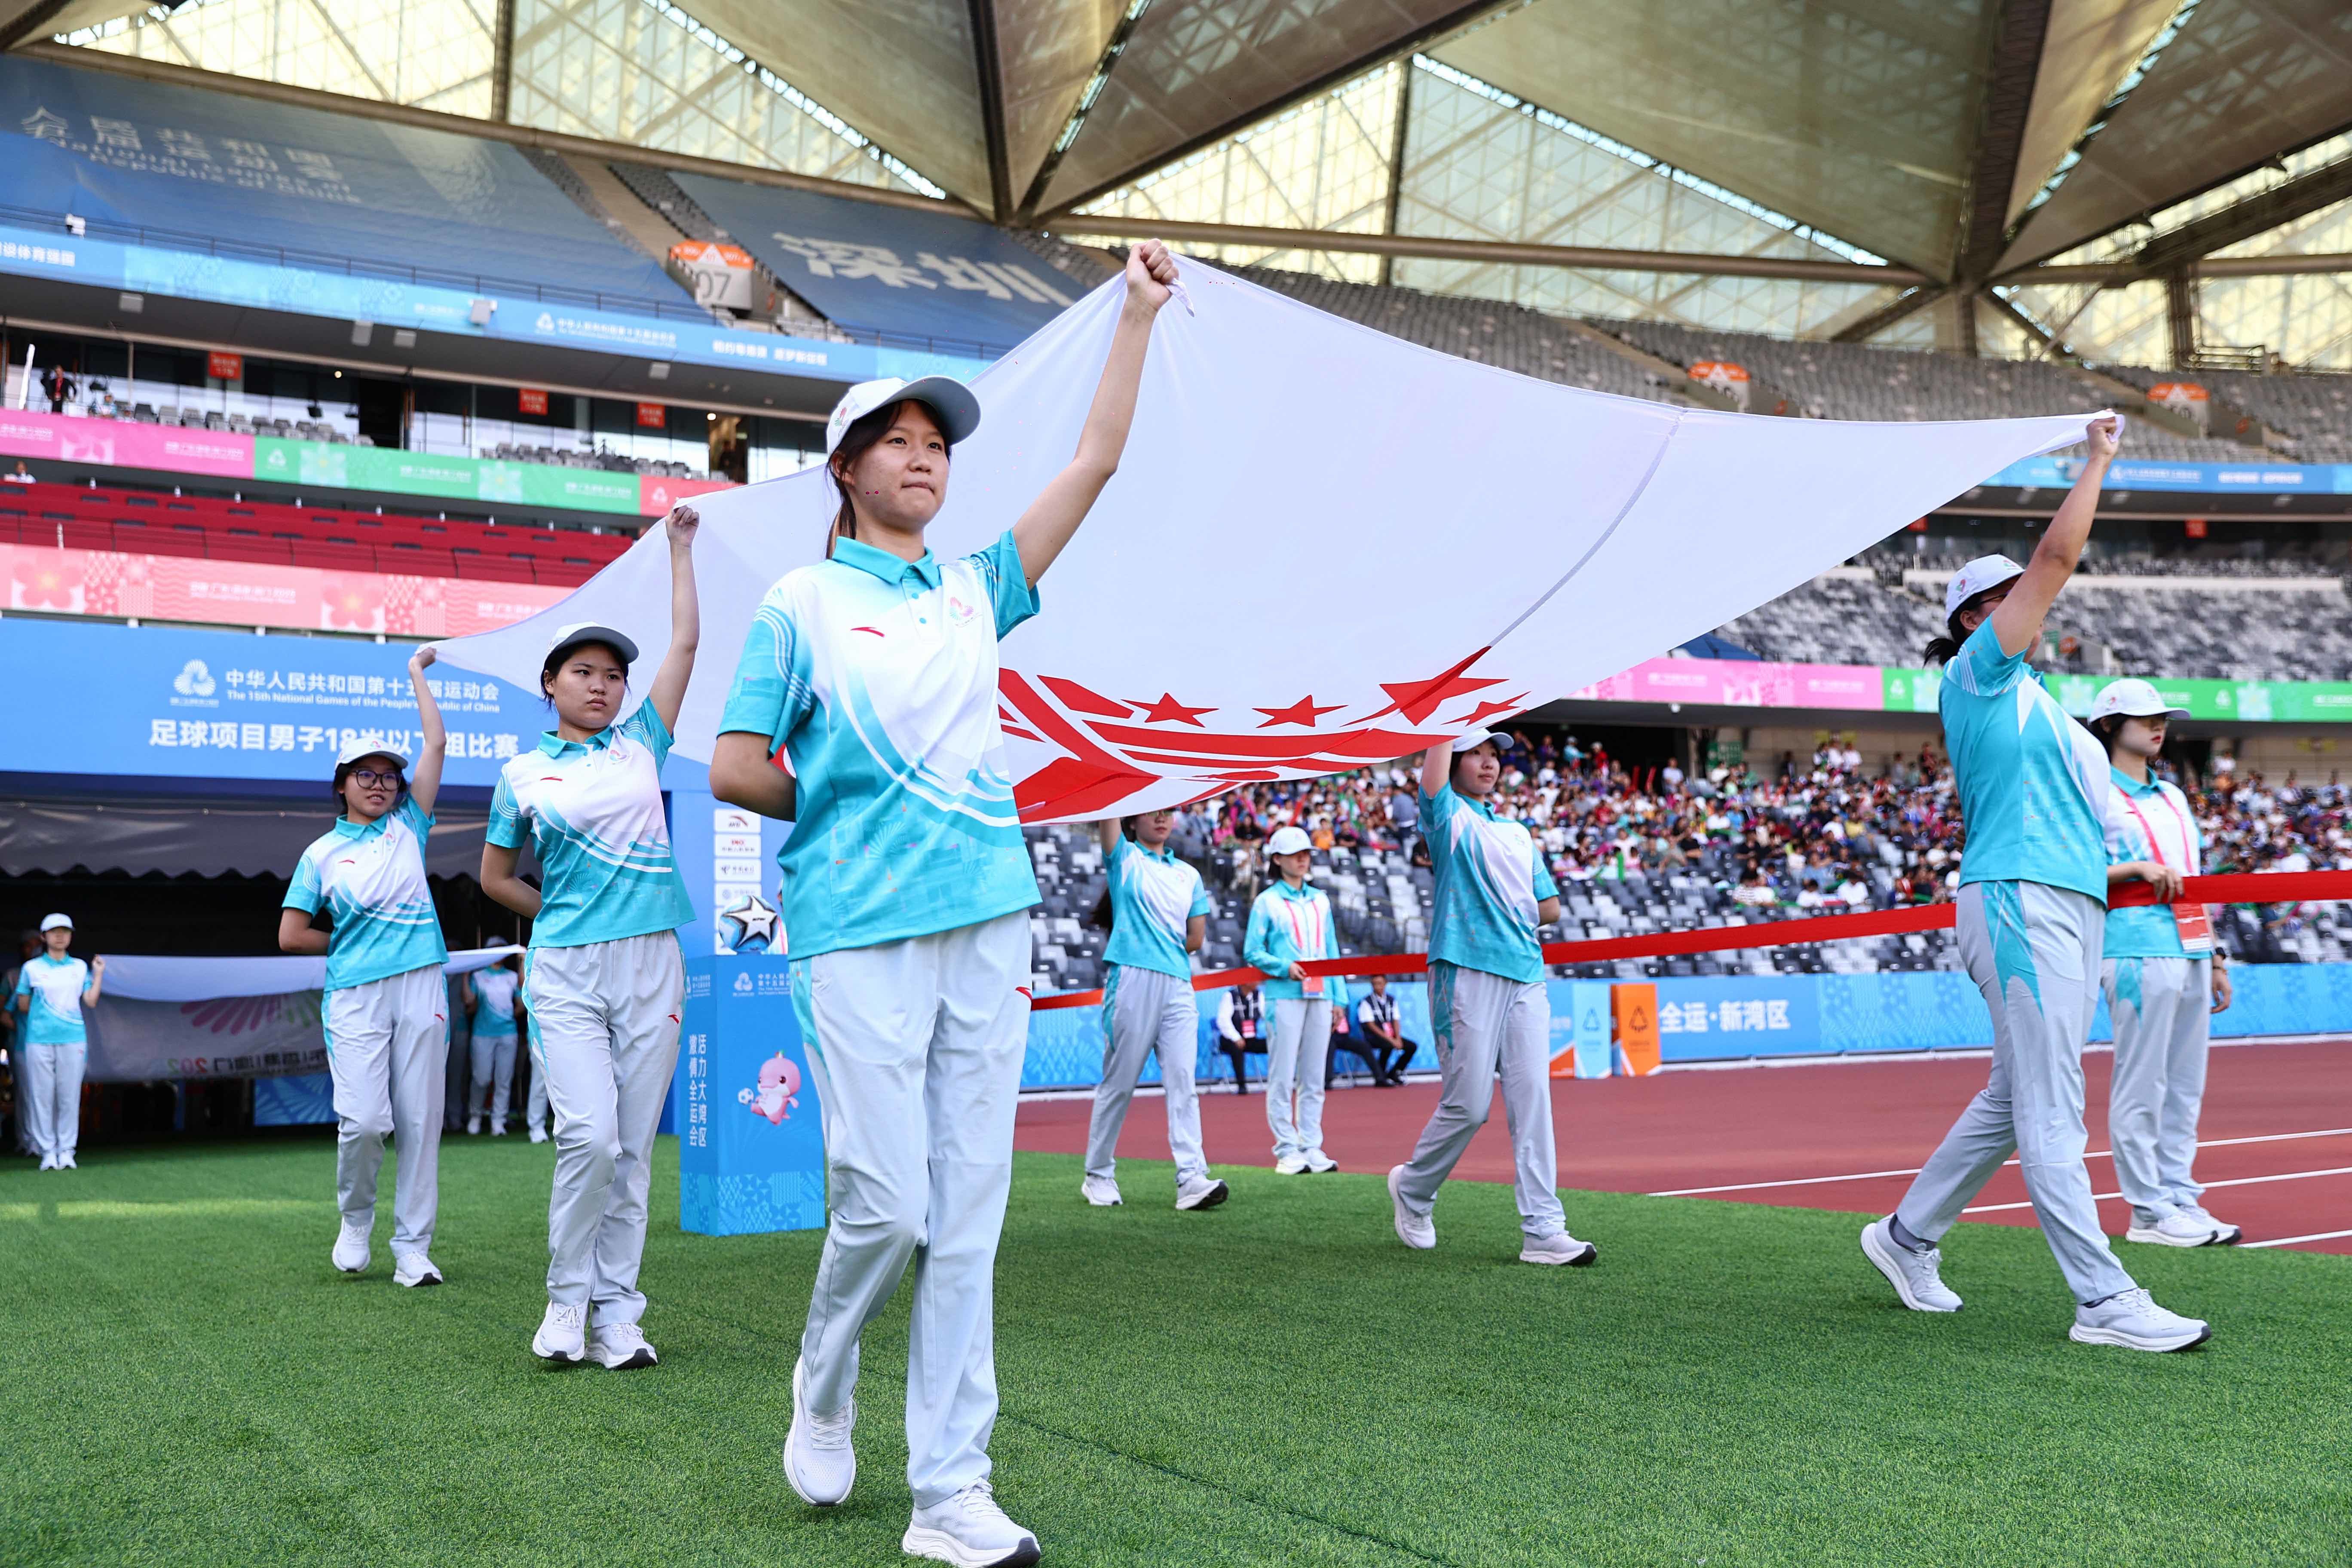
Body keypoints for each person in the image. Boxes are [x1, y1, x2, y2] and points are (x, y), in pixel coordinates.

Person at [708, 238, 1179, 1565]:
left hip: (987, 915)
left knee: (969, 1216)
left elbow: (1092, 465)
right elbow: (738, 764)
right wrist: (853, 801)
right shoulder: (802, 602)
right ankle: (822, 1373)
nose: (925, 458)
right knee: (889, 1204)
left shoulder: (976, 589)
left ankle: (948, 1494)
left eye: (938, 445)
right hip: (856, 925)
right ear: (848, 469)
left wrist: (1135, 317)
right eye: (897, 442)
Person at [1860, 416, 2211, 1354]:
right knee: (2053, 1102)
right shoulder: (1980, 677)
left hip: (2069, 903)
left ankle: (1905, 1238)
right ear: (1975, 619)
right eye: (2009, 595)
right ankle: (2103, 1299)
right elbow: (2057, 556)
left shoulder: (2053, 715)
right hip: (2018, 899)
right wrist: (2096, 459)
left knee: (2016, 1099)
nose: (2032, 600)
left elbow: (2090, 829)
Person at [480, 503, 702, 1371]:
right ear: (551, 683)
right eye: (585, 671)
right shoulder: (522, 774)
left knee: (634, 1151)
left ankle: (618, 1315)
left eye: (613, 673)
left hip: (653, 960)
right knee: (591, 1138)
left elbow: (683, 647)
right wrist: (559, 918)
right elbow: (499, 879)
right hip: (568, 965)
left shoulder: (641, 742)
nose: (603, 685)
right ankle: (567, 1300)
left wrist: (680, 551)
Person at [1387, 733, 1592, 1266]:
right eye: (1476, 752)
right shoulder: (1449, 819)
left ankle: (1544, 1230)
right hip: (1465, 969)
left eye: (1494, 754)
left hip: (1525, 972)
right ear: (1454, 760)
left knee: (1533, 1103)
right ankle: (1413, 1189)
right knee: (1470, 1105)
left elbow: (1549, 907)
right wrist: (1445, 716)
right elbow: (1430, 781)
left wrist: (1511, 905)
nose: (1488, 763)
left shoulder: (1518, 832)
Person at [280, 649, 450, 1284]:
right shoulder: (320, 854)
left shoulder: (411, 826)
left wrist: (416, 674)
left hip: (421, 984)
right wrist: (353, 939)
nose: (380, 784)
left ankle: (413, 1248)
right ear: (342, 784)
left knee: (419, 1122)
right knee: (366, 1121)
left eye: (388, 776)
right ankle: (357, 1221)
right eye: (365, 775)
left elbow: (436, 742)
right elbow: (291, 935)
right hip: (353, 993)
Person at [2089, 678, 2239, 1246]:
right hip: (2132, 945)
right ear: (2108, 725)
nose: (2159, 727)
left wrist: (2217, 955)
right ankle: (2147, 1210)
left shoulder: (2174, 795)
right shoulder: (2090, 792)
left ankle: (2179, 1197)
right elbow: (2068, 874)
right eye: (2143, 718)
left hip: (2193, 946)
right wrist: (2134, 871)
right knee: (2141, 1082)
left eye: (2163, 719)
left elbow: (2193, 879)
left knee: (2184, 1085)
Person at [1080, 810, 1227, 1213]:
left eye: (1168, 810)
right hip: (1131, 978)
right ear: (1133, 819)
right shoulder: (1125, 858)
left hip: (1179, 983)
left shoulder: (1189, 875)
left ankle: (1192, 1177)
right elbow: (1106, 812)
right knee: (1120, 1082)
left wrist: (1161, 938)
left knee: (1183, 1080)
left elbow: (1196, 938)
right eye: (1152, 810)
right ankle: (1098, 1174)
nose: (1162, 817)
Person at [1243, 823, 1345, 1175]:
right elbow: (1252, 952)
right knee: (1282, 1075)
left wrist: (1339, 997)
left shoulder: (1321, 899)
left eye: (1306, 854)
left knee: (1315, 1076)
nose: (1303, 859)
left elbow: (1331, 950)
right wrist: (1284, 967)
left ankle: (1312, 1145)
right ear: (1277, 859)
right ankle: (1287, 1149)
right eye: (1295, 854)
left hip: (1320, 995)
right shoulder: (1266, 902)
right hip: (1283, 995)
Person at [11, 913, 101, 1170]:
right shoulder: (32, 969)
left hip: (73, 1039)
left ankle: (67, 1150)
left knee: (69, 1096)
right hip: (38, 1041)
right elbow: (23, 1004)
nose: (60, 936)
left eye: (65, 931)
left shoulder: (79, 967)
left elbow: (91, 1001)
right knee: (41, 1095)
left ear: (71, 936)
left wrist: (99, 975)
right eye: (54, 932)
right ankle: (47, 1151)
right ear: (44, 937)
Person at [462, 955, 526, 1136]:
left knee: (504, 1079)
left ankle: (499, 1121)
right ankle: (476, 1116)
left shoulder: (512, 976)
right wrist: (466, 975)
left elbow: (522, 1002)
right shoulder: (478, 976)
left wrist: (507, 1017)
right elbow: (468, 1000)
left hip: (507, 1034)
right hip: (482, 1034)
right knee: (481, 1077)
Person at [1353, 973, 1418, 1086]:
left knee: (1411, 1047)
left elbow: (1396, 1020)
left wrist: (1397, 1039)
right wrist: (1391, 1040)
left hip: (1390, 1034)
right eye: (1375, 984)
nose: (1378, 987)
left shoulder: (1392, 1000)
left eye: (1380, 984)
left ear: (1386, 984)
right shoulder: (1366, 1002)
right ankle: (1380, 1075)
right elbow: (1370, 1025)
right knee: (1387, 1045)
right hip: (1374, 1036)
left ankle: (1394, 1072)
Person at [1214, 977, 1266, 1092]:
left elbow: (1267, 1017)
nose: (1258, 982)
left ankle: (1279, 1081)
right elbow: (1223, 1021)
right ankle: (1242, 1085)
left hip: (1250, 1038)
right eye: (1255, 979)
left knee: (1274, 1045)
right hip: (1230, 1039)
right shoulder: (1230, 996)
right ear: (1246, 981)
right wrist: (1236, 1038)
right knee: (1236, 1049)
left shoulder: (1259, 995)